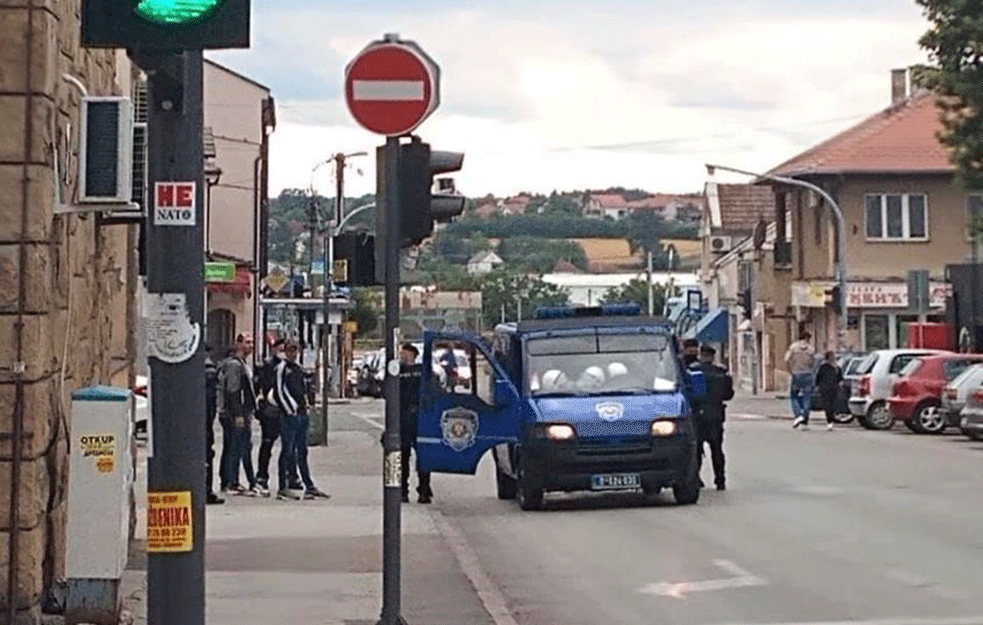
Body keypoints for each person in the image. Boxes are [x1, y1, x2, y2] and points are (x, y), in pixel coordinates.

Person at [274, 339, 331, 501]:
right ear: (285, 352)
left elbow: (303, 390)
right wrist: (290, 409)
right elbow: (279, 391)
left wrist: (306, 405)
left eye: (295, 350)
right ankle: (282, 487)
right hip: (290, 415)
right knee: (287, 451)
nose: (293, 354)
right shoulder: (282, 368)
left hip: (301, 414)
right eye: (290, 351)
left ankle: (309, 486)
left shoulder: (298, 369)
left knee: (302, 451)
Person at [217, 333, 259, 496]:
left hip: (234, 412)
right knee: (235, 447)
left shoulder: (241, 364)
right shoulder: (235, 365)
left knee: (232, 446)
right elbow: (233, 390)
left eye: (252, 342)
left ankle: (230, 481)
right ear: (238, 344)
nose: (251, 346)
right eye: (247, 342)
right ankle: (230, 481)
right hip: (232, 413)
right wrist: (238, 414)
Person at [692, 345, 734, 491]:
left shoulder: (693, 373)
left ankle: (695, 478)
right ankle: (720, 479)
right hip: (716, 415)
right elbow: (728, 395)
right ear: (712, 357)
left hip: (698, 416)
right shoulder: (721, 374)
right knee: (717, 450)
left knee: (696, 450)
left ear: (701, 355)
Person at [399, 343, 432, 504]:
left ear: (412, 354)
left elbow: (434, 391)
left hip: (421, 417)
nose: (402, 356)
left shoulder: (423, 371)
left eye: (404, 353)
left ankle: (424, 490)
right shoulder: (397, 371)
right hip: (403, 418)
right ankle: (403, 491)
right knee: (403, 457)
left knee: (423, 456)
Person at [254, 337, 286, 497]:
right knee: (267, 444)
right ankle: (261, 476)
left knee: (288, 447)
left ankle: (287, 479)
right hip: (271, 409)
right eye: (279, 349)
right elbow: (262, 386)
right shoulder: (268, 365)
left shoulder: (289, 366)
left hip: (285, 410)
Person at [205, 347, 224, 505]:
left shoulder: (202, 371)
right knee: (207, 455)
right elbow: (211, 402)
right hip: (205, 422)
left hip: (201, 421)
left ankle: (205, 489)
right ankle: (207, 490)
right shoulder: (210, 372)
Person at [785, 331, 816, 429]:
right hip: (807, 374)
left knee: (794, 396)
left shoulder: (793, 347)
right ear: (807, 338)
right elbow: (814, 363)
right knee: (807, 397)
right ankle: (804, 415)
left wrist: (790, 371)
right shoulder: (811, 349)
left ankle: (798, 415)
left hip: (796, 374)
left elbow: (786, 359)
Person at [815, 351, 843, 431]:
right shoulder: (835, 367)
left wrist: (818, 386)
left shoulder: (826, 367)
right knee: (829, 405)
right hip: (830, 388)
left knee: (829, 405)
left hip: (827, 388)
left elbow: (818, 377)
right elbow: (840, 378)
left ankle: (830, 421)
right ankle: (830, 421)